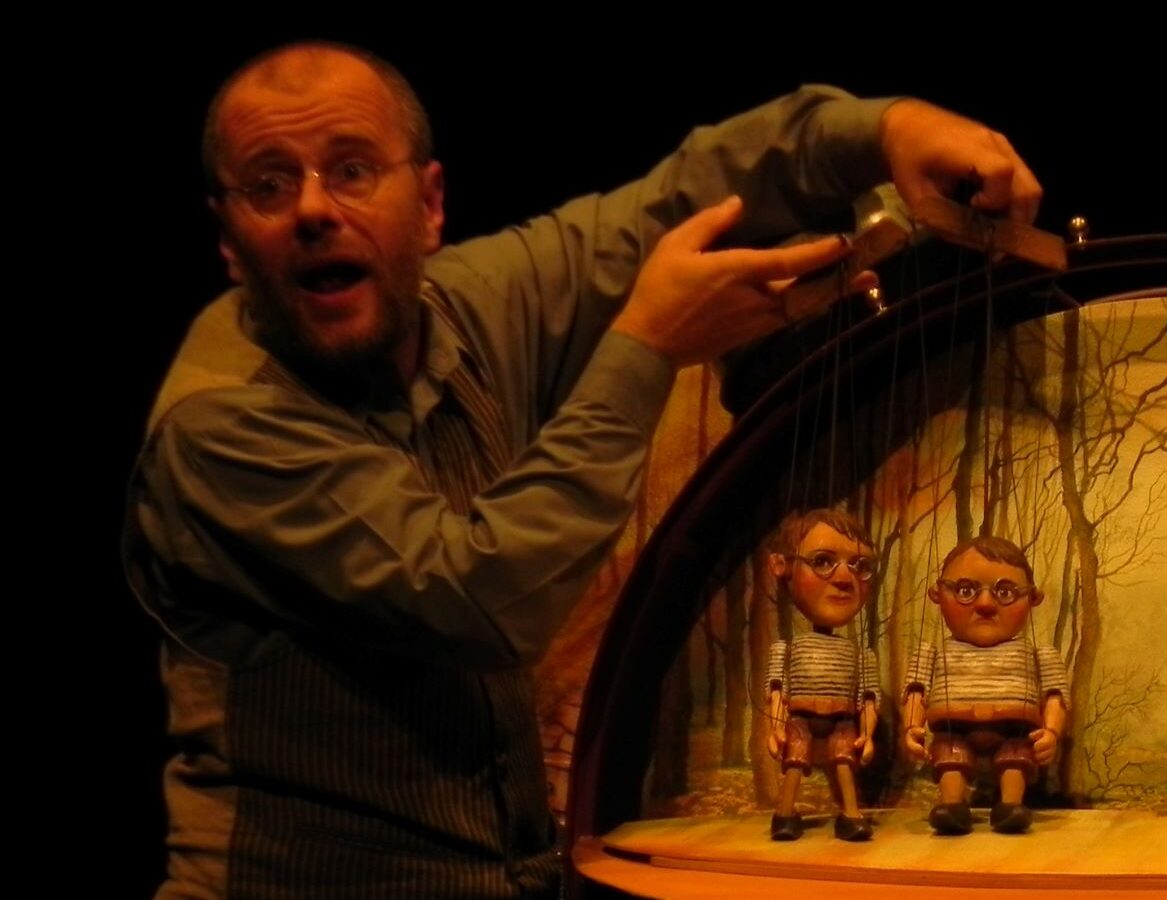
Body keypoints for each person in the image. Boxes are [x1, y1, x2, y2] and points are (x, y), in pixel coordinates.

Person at [121, 40, 1041, 899]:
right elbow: (479, 597)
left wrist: (887, 129)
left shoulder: (463, 305)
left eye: (353, 169)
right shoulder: (221, 424)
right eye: (269, 184)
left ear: (429, 205)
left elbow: (682, 200)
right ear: (228, 240)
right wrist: (646, 348)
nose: (315, 209)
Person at [901, 536, 1069, 836]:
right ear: (938, 594)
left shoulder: (1040, 654)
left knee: (1015, 755)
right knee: (950, 756)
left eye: (1005, 593)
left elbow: (1056, 694)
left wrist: (1052, 732)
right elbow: (916, 690)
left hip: (1014, 730)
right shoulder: (931, 652)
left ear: (1033, 598)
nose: (985, 604)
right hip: (953, 729)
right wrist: (912, 726)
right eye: (965, 590)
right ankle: (952, 805)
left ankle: (1011, 806)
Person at [758, 508, 881, 842]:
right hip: (800, 718)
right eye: (823, 561)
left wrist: (867, 734)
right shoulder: (786, 649)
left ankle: (851, 814)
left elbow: (869, 698)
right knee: (795, 762)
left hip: (842, 720)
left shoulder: (860, 655)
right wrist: (776, 726)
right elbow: (777, 690)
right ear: (780, 565)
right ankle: (785, 814)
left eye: (860, 566)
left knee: (844, 760)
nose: (843, 578)